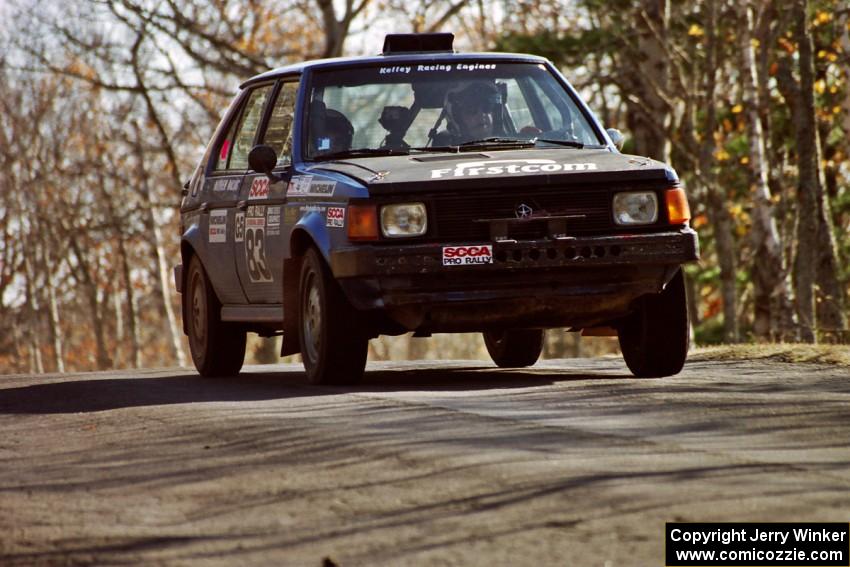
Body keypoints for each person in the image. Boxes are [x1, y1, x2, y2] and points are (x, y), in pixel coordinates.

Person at [433, 81, 503, 145]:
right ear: (457, 117)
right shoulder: (448, 157)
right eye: (471, 109)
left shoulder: (510, 148)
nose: (481, 114)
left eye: (487, 106)